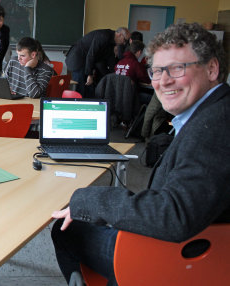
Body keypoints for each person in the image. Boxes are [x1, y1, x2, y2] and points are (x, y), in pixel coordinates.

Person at [51, 22, 230, 285]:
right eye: (156, 71)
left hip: (176, 258)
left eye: (177, 68)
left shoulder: (214, 126)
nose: (163, 81)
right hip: (194, 244)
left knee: (66, 229)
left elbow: (174, 215)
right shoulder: (213, 112)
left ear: (212, 68)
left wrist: (88, 200)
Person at [65, 27, 130, 97]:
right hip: (78, 59)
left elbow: (110, 59)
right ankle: (78, 106)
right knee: (81, 88)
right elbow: (91, 55)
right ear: (119, 35)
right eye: (125, 40)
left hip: (87, 62)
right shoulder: (104, 36)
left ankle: (89, 106)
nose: (124, 43)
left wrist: (115, 74)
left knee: (90, 89)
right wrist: (89, 74)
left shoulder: (111, 42)